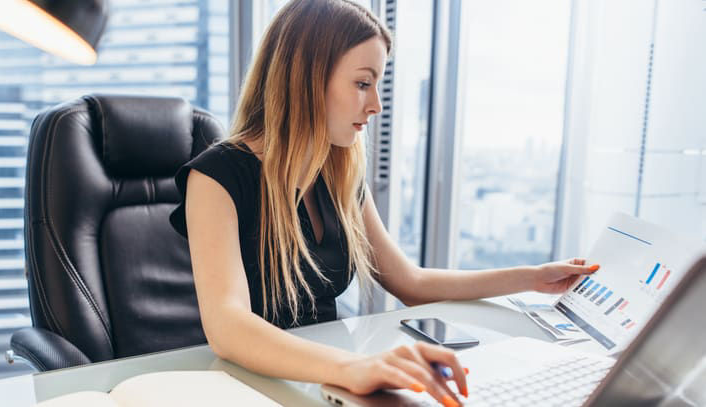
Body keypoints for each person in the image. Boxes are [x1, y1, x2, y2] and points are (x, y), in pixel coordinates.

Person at [169, 0, 599, 405]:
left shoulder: (337, 172)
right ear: (306, 79)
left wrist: (534, 278)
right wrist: (356, 367)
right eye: (362, 83)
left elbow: (410, 282)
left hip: (320, 382)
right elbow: (228, 327)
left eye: (377, 85)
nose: (375, 105)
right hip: (248, 386)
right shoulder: (216, 177)